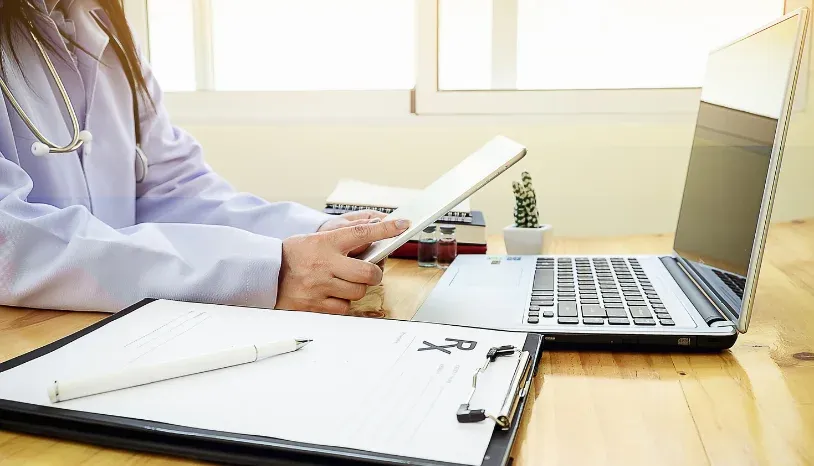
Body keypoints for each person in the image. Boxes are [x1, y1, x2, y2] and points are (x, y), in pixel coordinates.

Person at [0, 0, 409, 314]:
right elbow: (14, 243)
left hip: (111, 319)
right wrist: (268, 271)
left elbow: (174, 189)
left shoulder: (98, 24)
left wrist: (315, 233)